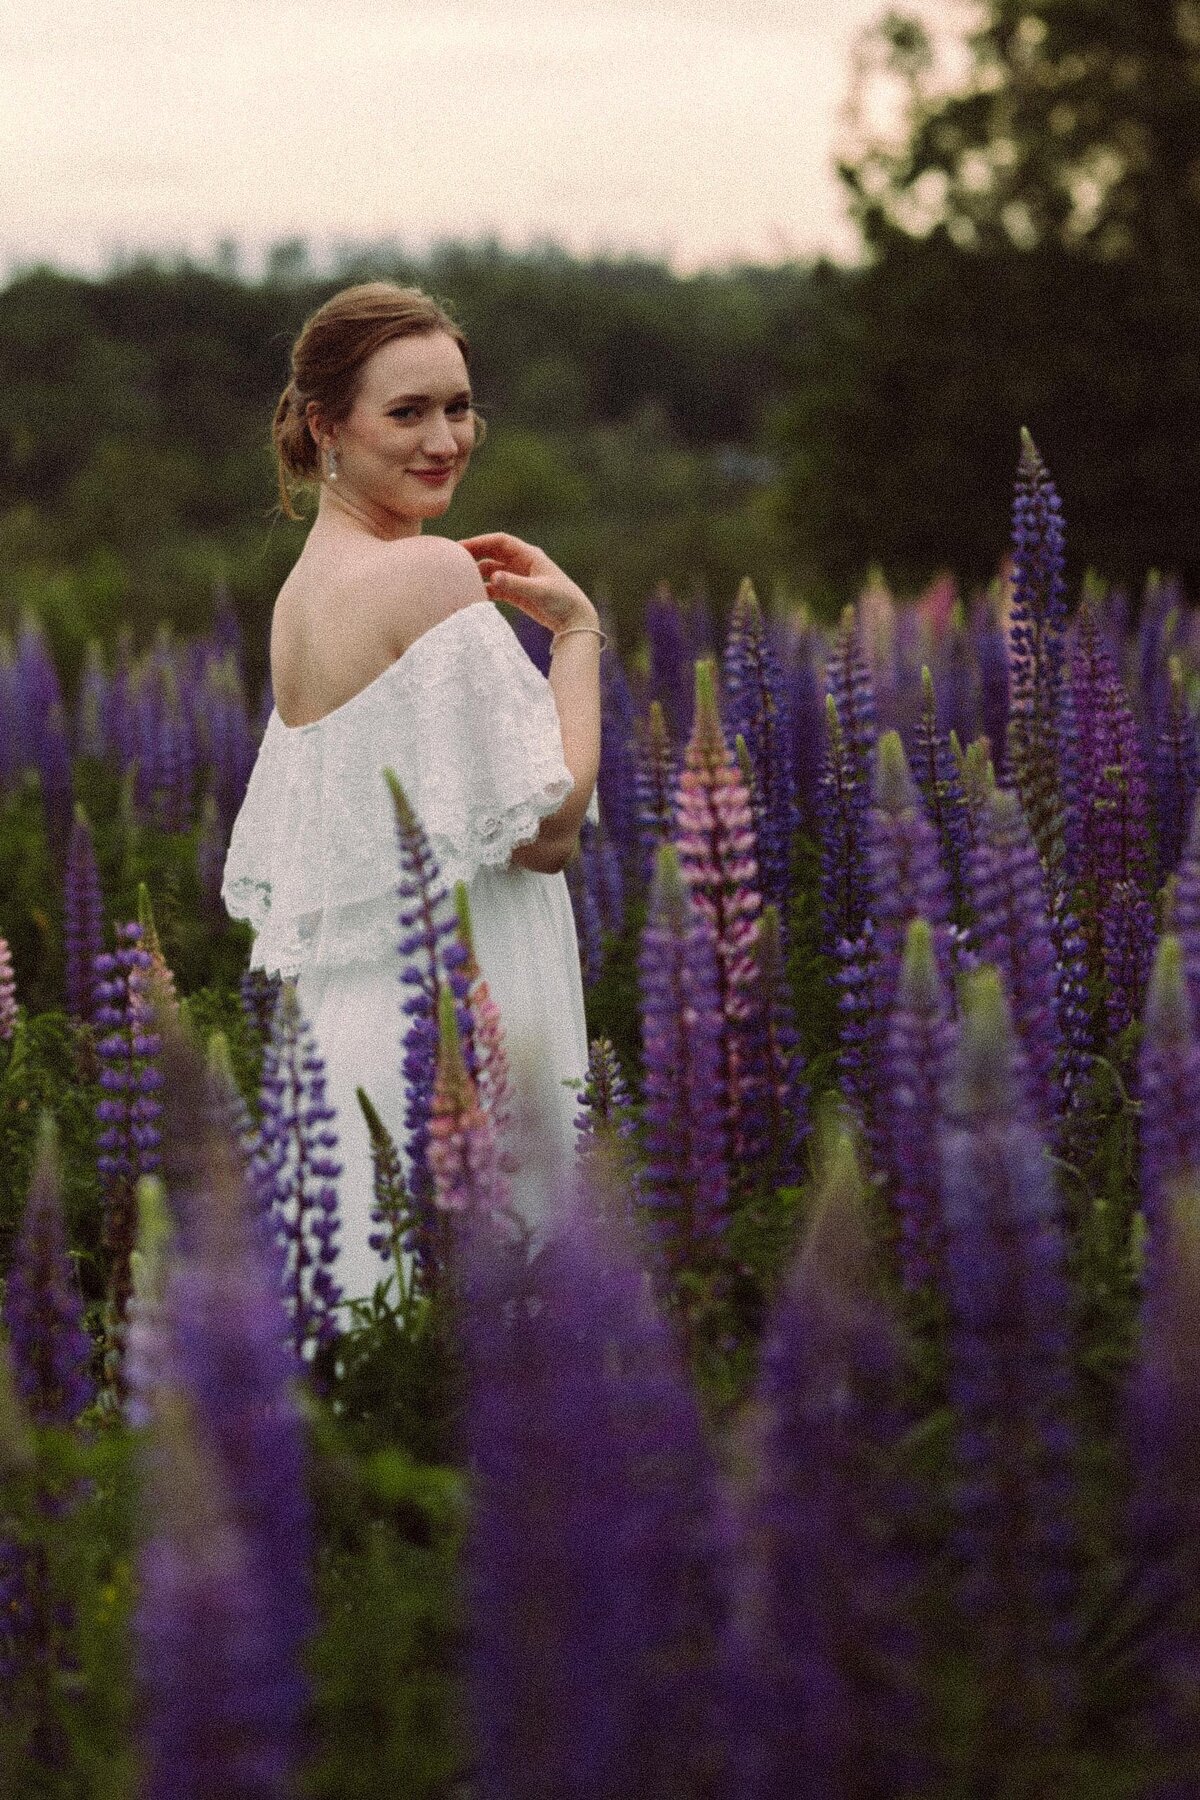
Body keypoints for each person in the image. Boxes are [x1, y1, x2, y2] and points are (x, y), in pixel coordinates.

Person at [220, 280, 604, 1307]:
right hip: (457, 1030)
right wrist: (576, 635)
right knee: (499, 1342)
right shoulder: (427, 575)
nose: (445, 439)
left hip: (351, 1036)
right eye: (407, 412)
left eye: (459, 406)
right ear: (324, 426)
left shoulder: (300, 596)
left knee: (372, 1343)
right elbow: (551, 830)